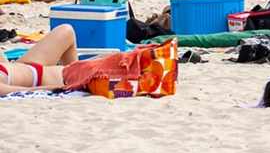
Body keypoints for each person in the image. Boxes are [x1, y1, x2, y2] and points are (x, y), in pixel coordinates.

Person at [0, 26, 180, 95]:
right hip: (58, 77)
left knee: (66, 30)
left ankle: (76, 67)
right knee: (115, 63)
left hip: (25, 65)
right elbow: (11, 91)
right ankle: (77, 69)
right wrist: (56, 88)